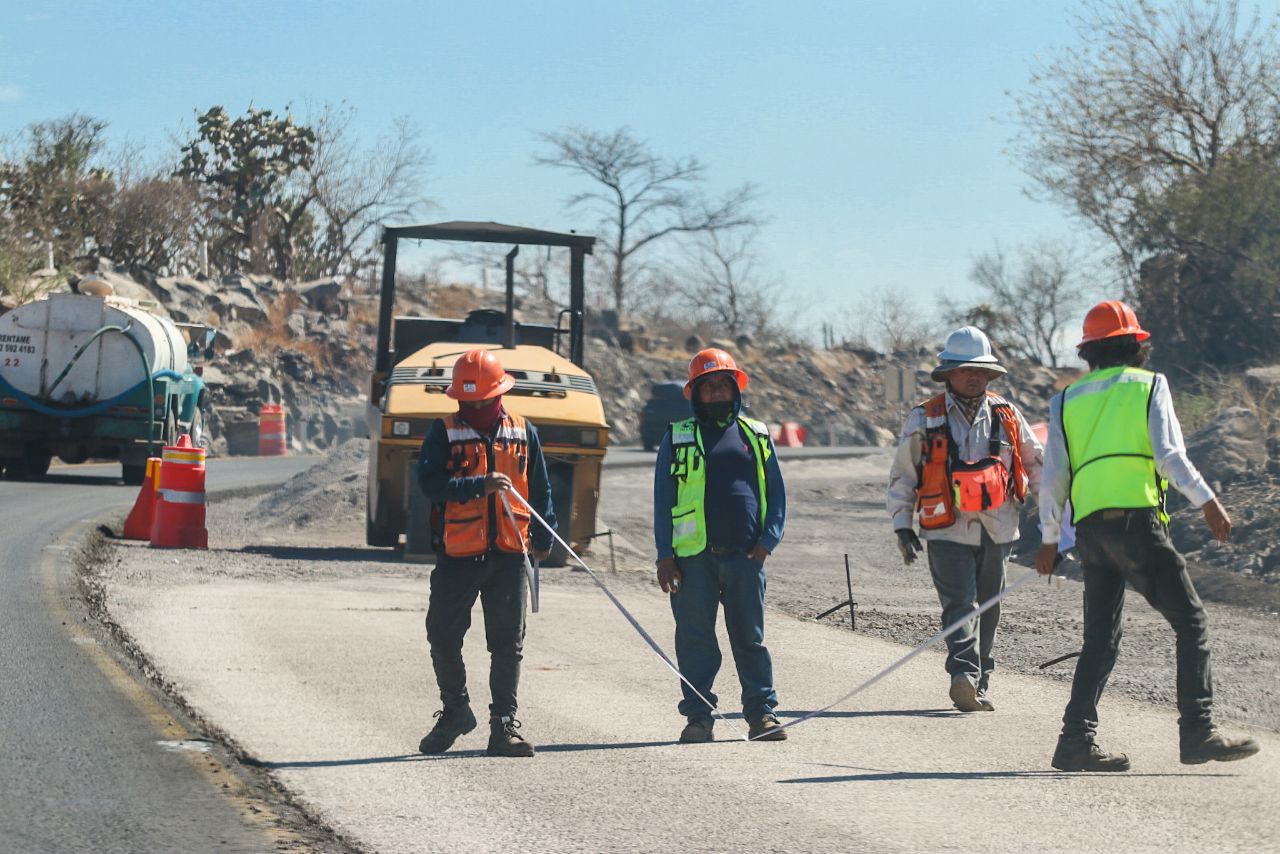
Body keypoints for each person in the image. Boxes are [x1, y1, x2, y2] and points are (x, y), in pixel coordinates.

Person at [1036, 300, 1260, 771]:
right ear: (1136, 344)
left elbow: (1054, 474)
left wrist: (1050, 538)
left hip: (1091, 533)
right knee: (1191, 621)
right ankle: (1197, 733)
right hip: (1136, 525)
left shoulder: (1066, 400)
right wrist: (1208, 501)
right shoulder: (1150, 384)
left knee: (1100, 638)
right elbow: (1169, 456)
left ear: (1089, 352)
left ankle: (1075, 741)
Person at [887, 326, 1043, 712]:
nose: (974, 376)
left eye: (981, 370)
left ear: (990, 375)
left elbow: (1038, 465)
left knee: (989, 605)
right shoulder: (925, 417)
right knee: (959, 603)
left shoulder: (1007, 415)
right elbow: (904, 474)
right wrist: (902, 525)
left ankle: (979, 680)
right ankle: (963, 675)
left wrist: (1057, 519)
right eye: (965, 369)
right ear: (949, 374)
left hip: (999, 527)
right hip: (947, 528)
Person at [415, 349, 555, 758]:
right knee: (441, 636)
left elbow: (542, 490)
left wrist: (545, 539)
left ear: (497, 396)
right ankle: (456, 710)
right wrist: (477, 486)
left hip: (510, 555)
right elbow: (429, 484)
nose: (473, 407)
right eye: (466, 400)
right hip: (458, 554)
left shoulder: (524, 431)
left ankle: (503, 726)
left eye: (480, 400)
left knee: (507, 643)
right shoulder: (442, 433)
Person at [654, 347, 787, 743]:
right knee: (695, 640)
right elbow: (663, 498)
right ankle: (698, 718)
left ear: (735, 389)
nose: (715, 393)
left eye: (722, 385)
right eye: (707, 387)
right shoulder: (676, 437)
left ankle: (762, 716)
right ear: (694, 393)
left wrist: (768, 540)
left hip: (746, 557)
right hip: (693, 560)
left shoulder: (757, 434)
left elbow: (776, 492)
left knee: (750, 639)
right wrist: (665, 555)